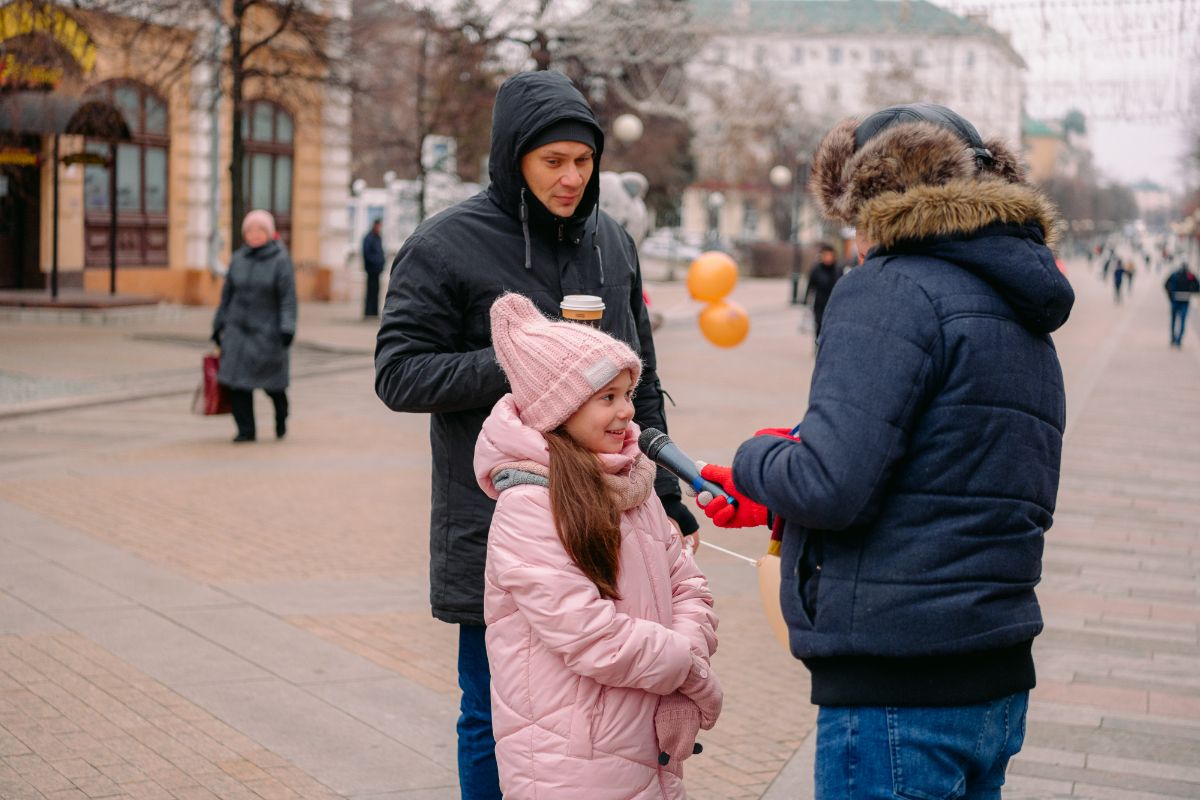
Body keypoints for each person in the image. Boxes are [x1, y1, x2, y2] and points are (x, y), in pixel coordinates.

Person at [694, 103, 1074, 799]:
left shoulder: (891, 287)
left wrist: (758, 458)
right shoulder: (1020, 302)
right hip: (991, 674)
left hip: (899, 684)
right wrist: (780, 496)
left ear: (871, 204)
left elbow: (834, 485)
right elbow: (945, 471)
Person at [374, 70, 698, 800]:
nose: (572, 178)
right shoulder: (444, 245)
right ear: (513, 156)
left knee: (601, 708)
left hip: (610, 521)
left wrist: (671, 497)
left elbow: (640, 378)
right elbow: (398, 375)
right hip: (497, 522)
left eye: (583, 161)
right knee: (492, 709)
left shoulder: (612, 242)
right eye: (553, 161)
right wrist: (526, 362)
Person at [475, 293, 721, 798]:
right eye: (606, 398)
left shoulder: (632, 483)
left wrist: (687, 650)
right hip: (570, 749)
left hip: (643, 732)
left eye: (627, 394)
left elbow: (688, 584)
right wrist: (684, 666)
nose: (627, 412)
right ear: (560, 409)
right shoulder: (529, 505)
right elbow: (587, 632)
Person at [212, 209, 297, 443]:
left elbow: (288, 298)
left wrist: (287, 327)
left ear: (270, 233)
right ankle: (246, 430)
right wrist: (218, 324)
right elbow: (227, 295)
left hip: (268, 334)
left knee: (273, 387)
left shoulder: (280, 261)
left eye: (260, 229)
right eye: (250, 230)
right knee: (237, 385)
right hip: (237, 333)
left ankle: (281, 414)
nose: (254, 234)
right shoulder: (238, 259)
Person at [802, 243, 843, 341]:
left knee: (832, 326)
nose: (828, 258)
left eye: (830, 255)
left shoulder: (838, 269)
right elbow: (810, 286)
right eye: (826, 255)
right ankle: (818, 345)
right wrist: (805, 300)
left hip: (834, 304)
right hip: (820, 303)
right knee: (819, 325)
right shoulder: (816, 269)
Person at [1165, 262, 1200, 347]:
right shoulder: (1188, 275)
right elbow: (1197, 287)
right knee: (1181, 320)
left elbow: (1166, 285)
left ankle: (1175, 339)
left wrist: (1171, 296)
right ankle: (1177, 339)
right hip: (1181, 300)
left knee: (1176, 320)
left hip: (1179, 300)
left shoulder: (1179, 274)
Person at [362, 218, 386, 318]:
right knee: (370, 291)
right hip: (371, 269)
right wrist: (376, 262)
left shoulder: (378, 237)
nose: (380, 228)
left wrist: (381, 262)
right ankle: (369, 312)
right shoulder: (369, 238)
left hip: (377, 269)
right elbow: (367, 254)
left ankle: (374, 312)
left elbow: (380, 252)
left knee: (376, 291)